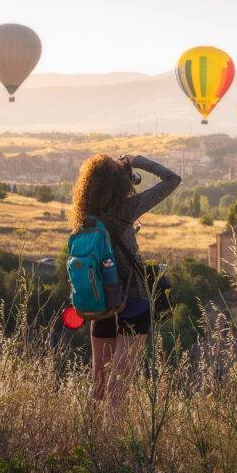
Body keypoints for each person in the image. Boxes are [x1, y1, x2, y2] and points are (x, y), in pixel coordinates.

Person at [70, 153, 181, 407]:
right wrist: (139, 161)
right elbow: (173, 179)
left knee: (98, 382)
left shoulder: (84, 217)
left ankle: (92, 437)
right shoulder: (127, 209)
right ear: (120, 183)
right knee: (119, 384)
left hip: (99, 302)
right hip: (133, 300)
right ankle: (112, 442)